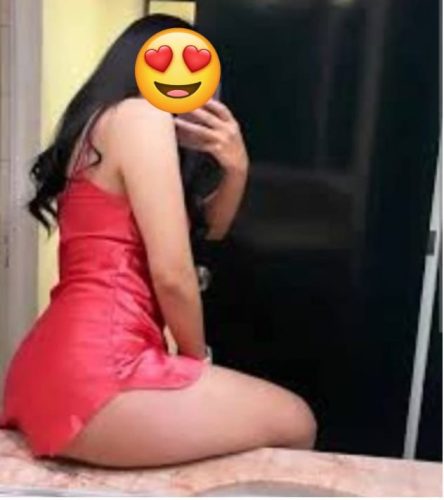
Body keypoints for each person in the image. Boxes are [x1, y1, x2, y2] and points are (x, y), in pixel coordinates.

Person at [0, 14, 316, 468]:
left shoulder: (100, 125)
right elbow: (172, 273)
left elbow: (211, 230)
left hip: (45, 365)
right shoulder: (139, 116)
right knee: (297, 421)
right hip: (98, 371)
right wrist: (195, 365)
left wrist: (236, 168)